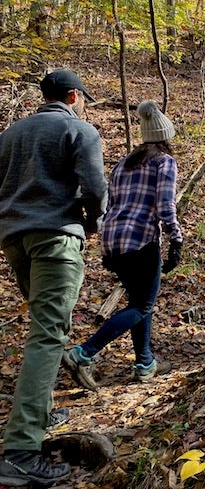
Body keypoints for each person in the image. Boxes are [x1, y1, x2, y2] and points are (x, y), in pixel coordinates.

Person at [0, 69, 107, 486]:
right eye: (83, 98)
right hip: (55, 237)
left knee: (44, 329)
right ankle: (22, 451)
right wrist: (93, 223)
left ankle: (39, 414)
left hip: (14, 239)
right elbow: (95, 187)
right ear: (73, 95)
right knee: (48, 334)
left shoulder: (10, 134)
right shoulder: (79, 130)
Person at [62, 100, 182, 390]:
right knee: (142, 305)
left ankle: (144, 363)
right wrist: (176, 239)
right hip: (140, 241)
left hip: (113, 239)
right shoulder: (164, 162)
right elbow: (165, 206)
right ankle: (83, 352)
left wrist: (106, 246)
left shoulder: (123, 163)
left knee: (139, 303)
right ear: (166, 138)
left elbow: (110, 204)